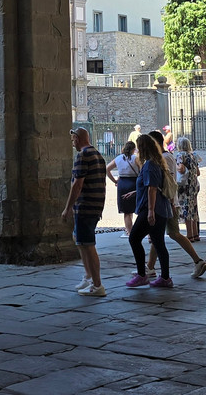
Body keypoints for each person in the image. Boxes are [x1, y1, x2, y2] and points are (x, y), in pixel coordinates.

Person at [144, 131, 206, 279]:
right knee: (164, 234)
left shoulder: (163, 158)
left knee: (167, 234)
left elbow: (161, 182)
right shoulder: (169, 157)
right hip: (171, 200)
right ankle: (150, 267)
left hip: (166, 202)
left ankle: (196, 261)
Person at [61, 127, 107, 297]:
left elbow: (77, 184)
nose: (72, 143)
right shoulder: (97, 154)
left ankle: (97, 285)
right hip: (95, 205)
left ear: (78, 139)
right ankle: (88, 276)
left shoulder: (82, 155)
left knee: (88, 245)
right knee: (79, 239)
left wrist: (68, 207)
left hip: (85, 206)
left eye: (73, 140)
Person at [126, 133, 175, 288]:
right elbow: (151, 186)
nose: (137, 151)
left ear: (143, 148)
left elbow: (152, 189)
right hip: (160, 208)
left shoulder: (149, 165)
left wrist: (150, 212)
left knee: (134, 238)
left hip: (152, 209)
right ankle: (165, 278)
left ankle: (142, 275)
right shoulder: (156, 163)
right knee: (159, 243)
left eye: (138, 148)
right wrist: (135, 193)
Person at [106, 140, 138, 237]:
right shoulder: (136, 158)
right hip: (134, 183)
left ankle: (130, 232)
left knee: (127, 212)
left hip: (123, 184)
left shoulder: (118, 158)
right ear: (133, 149)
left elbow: (107, 169)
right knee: (139, 208)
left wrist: (115, 181)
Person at [175, 137, 203, 242]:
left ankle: (189, 235)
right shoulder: (194, 155)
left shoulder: (180, 155)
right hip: (194, 185)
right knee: (194, 209)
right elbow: (198, 172)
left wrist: (175, 166)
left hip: (185, 185)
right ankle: (195, 234)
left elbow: (181, 169)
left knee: (186, 208)